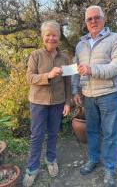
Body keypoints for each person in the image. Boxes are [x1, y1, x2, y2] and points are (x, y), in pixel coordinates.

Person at [72, 5, 117, 187]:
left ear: (104, 19)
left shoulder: (116, 39)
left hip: (109, 94)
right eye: (89, 19)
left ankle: (110, 168)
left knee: (110, 134)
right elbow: (75, 70)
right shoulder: (81, 44)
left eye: (97, 17)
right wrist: (75, 90)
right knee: (92, 131)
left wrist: (92, 69)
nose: (93, 21)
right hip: (88, 95)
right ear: (86, 23)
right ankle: (94, 159)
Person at [23, 20, 71, 187]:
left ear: (59, 36)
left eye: (55, 34)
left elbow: (68, 82)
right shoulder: (35, 55)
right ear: (43, 37)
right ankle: (32, 168)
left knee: (52, 133)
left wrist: (67, 102)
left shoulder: (64, 57)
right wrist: (48, 75)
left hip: (58, 103)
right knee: (36, 136)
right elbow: (30, 78)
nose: (51, 38)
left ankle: (51, 159)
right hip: (38, 103)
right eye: (48, 35)